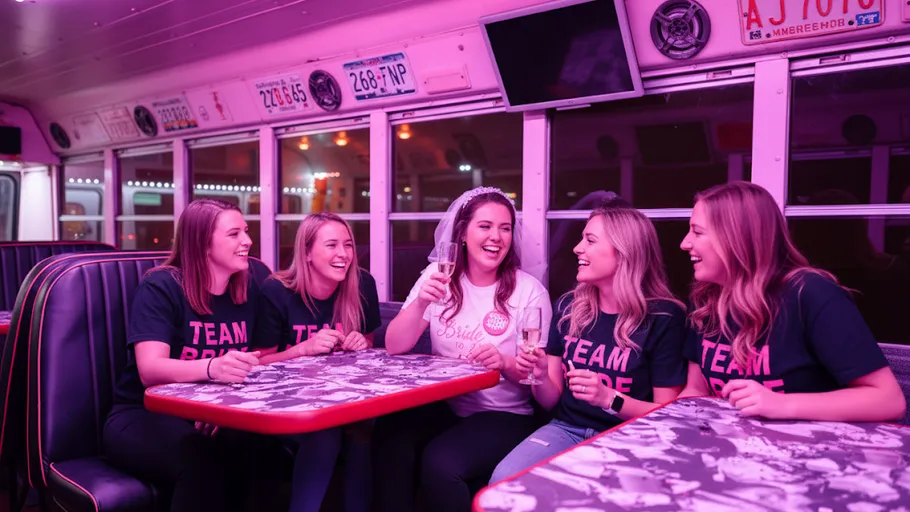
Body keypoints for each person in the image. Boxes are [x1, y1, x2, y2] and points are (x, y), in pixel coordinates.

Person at [372, 186, 552, 512]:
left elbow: (536, 379)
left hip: (504, 415)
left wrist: (504, 362)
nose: (496, 236)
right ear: (463, 233)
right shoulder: (438, 276)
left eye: (505, 228)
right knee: (389, 435)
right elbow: (395, 345)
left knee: (440, 463)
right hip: (446, 404)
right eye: (485, 226)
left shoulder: (529, 292)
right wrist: (421, 303)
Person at [490, 198, 688, 483]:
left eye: (590, 240)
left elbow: (666, 413)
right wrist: (540, 376)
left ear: (624, 252)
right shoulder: (568, 307)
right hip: (567, 430)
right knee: (504, 481)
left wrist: (609, 399)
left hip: (631, 436)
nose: (577, 248)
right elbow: (550, 401)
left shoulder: (664, 317)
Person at [678, 181, 906, 422]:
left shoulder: (811, 294)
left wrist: (783, 404)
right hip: (729, 441)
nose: (684, 243)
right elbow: (696, 390)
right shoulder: (706, 298)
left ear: (736, 237)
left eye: (697, 232)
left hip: (809, 443)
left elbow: (888, 400)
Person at [103, 199, 262, 512]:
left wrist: (221, 410)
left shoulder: (247, 288)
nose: (247, 241)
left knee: (262, 451)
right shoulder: (161, 286)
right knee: (201, 462)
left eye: (246, 231)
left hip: (212, 412)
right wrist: (212, 368)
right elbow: (150, 369)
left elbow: (256, 361)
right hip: (142, 413)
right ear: (202, 241)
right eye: (234, 234)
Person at [255, 212, 380, 512]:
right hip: (284, 401)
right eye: (332, 245)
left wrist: (360, 343)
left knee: (365, 429)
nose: (343, 254)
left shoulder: (362, 283)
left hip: (342, 399)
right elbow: (258, 363)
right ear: (307, 252)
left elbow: (369, 344)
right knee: (325, 434)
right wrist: (303, 349)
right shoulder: (277, 291)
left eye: (348, 245)